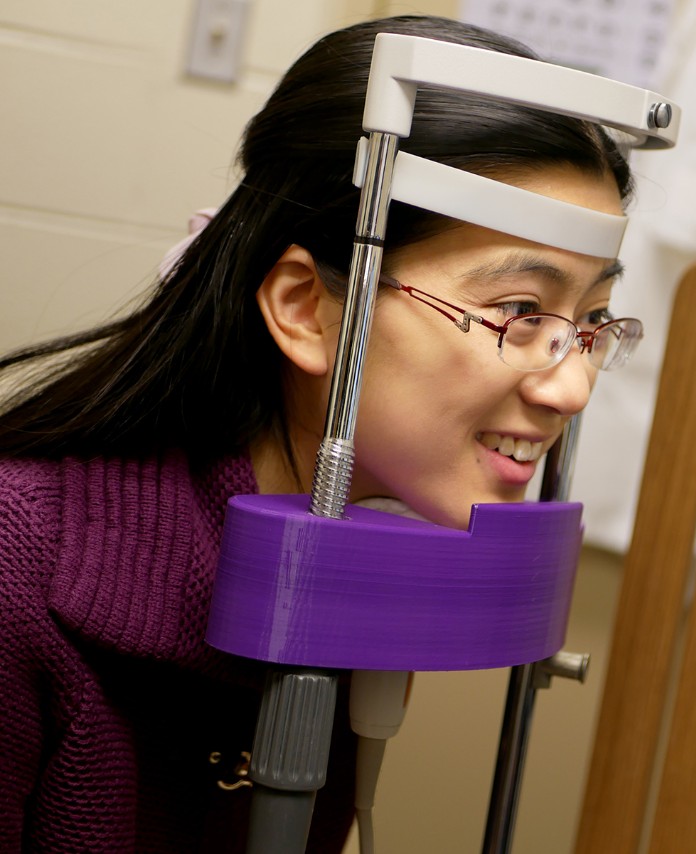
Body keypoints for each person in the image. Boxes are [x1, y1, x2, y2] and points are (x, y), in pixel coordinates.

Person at [0, 15, 638, 852]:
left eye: (593, 320)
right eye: (518, 312)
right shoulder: (17, 575)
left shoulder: (342, 555)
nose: (573, 384)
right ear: (307, 309)